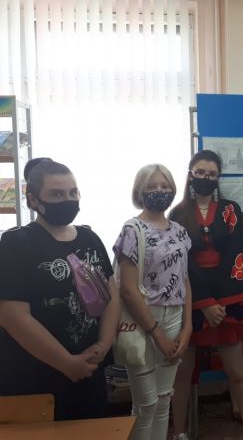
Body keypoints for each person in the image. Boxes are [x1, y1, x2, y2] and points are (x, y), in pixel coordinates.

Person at [0, 157, 120, 420]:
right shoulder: (15, 243)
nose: (67, 200)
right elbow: (13, 316)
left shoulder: (90, 238)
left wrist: (103, 345)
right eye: (56, 194)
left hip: (90, 371)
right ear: (33, 200)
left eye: (72, 193)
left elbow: (111, 296)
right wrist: (67, 363)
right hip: (36, 377)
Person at [170, 150, 243, 440]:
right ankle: (180, 433)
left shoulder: (231, 210)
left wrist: (219, 303)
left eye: (211, 174)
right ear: (190, 174)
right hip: (191, 301)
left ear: (218, 177)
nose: (205, 178)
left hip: (226, 300)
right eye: (200, 172)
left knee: (237, 372)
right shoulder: (177, 214)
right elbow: (181, 261)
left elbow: (238, 254)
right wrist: (204, 302)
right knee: (182, 373)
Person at [113, 164, 192, 440]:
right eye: (152, 186)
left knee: (164, 399)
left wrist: (187, 327)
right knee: (146, 404)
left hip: (175, 316)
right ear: (139, 191)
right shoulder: (132, 230)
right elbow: (127, 289)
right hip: (142, 319)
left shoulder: (180, 232)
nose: (160, 191)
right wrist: (157, 335)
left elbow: (184, 280)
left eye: (165, 186)